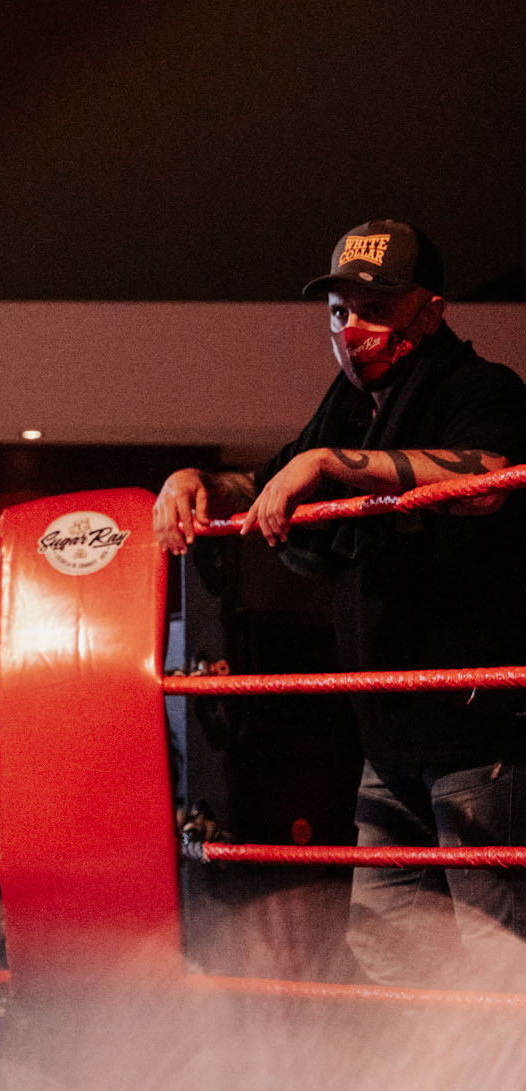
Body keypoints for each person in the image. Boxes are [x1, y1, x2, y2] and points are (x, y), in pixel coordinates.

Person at [152, 219, 526, 989]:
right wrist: (197, 481)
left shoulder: (480, 388)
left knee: (502, 958)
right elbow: (269, 485)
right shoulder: (351, 407)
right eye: (339, 309)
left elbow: (488, 476)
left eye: (375, 307)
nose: (352, 328)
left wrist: (333, 464)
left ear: (430, 310)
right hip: (389, 741)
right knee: (390, 952)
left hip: (478, 739)